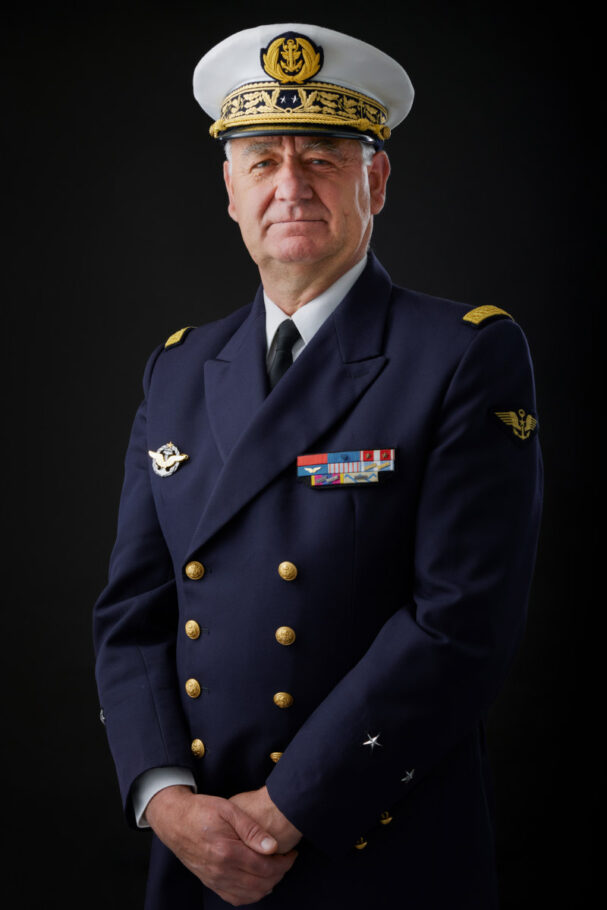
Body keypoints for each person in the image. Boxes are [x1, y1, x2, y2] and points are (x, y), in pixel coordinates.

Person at [94, 22, 543, 910]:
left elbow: (459, 623)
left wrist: (284, 811)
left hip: (376, 836)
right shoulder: (178, 368)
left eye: (323, 159)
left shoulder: (462, 355)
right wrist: (165, 800)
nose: (290, 186)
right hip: (198, 844)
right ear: (230, 191)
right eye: (263, 161)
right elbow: (132, 613)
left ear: (376, 180)